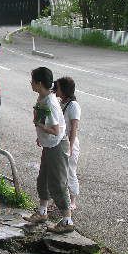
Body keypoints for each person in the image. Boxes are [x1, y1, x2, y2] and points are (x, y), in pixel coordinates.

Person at [24, 67, 74, 234]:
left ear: (39, 83)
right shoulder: (43, 97)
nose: (30, 83)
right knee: (43, 179)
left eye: (32, 81)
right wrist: (41, 137)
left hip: (57, 146)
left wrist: (39, 126)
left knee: (57, 183)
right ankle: (42, 212)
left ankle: (67, 220)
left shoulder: (50, 103)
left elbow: (55, 130)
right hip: (49, 145)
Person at [54, 77, 81, 210]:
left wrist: (70, 146)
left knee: (70, 171)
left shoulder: (73, 105)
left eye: (57, 87)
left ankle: (73, 200)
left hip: (70, 142)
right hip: (60, 141)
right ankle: (61, 199)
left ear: (64, 89)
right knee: (60, 173)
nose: (55, 89)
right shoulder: (61, 103)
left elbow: (74, 128)